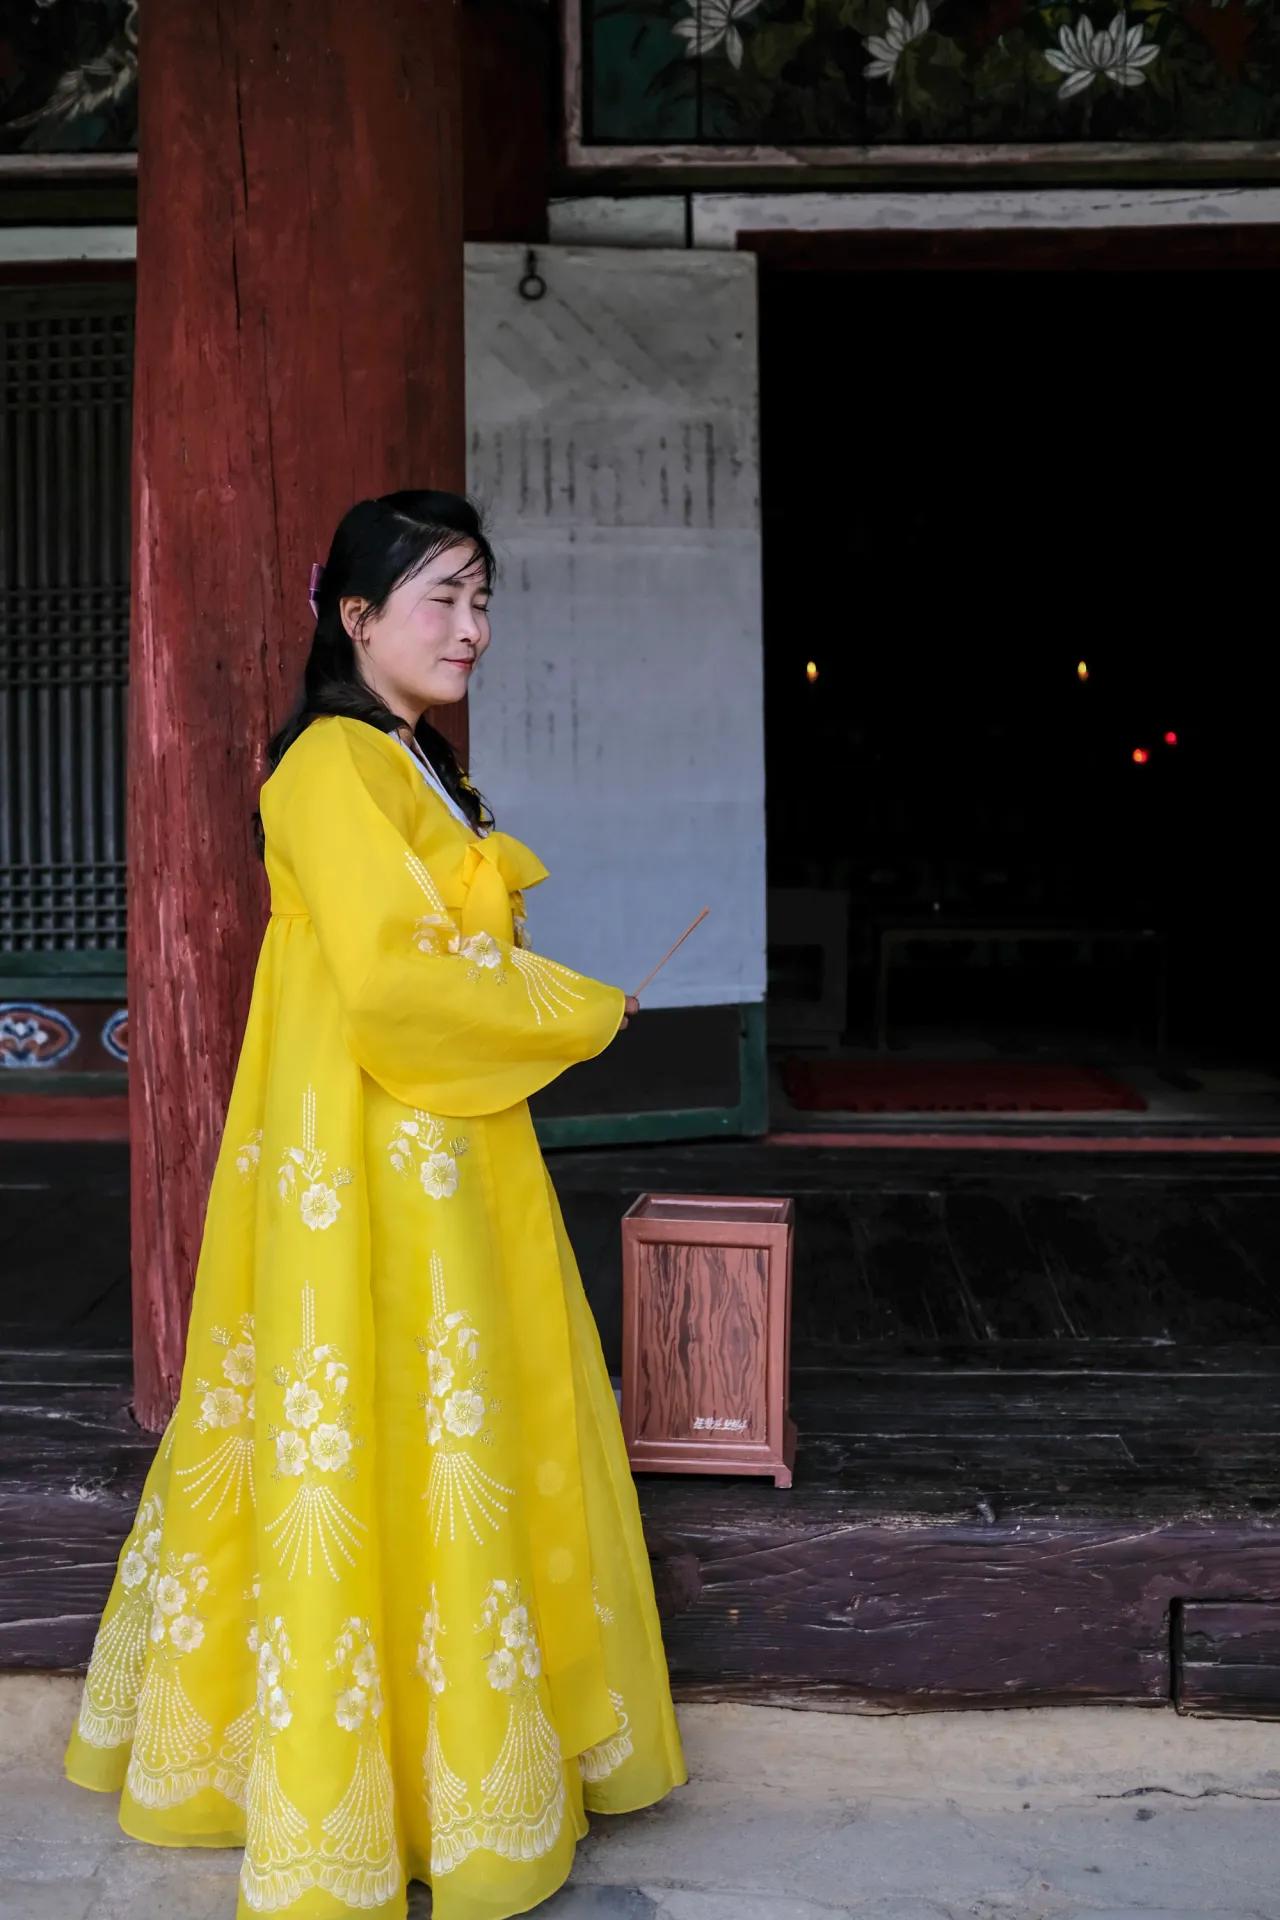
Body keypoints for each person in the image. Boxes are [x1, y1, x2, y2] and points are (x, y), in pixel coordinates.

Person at [65, 489, 688, 1918]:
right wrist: (579, 1008)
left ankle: (453, 1774)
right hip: (364, 1150)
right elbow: (405, 979)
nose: (473, 630)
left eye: (485, 603)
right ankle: (370, 1802)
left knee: (450, 1429)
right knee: (376, 1428)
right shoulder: (329, 768)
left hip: (441, 1148)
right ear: (355, 617)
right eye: (444, 602)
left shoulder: (410, 762)